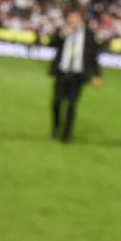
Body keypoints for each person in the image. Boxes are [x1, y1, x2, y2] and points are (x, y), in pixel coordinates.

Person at [48, 9, 101, 143]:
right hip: (62, 72)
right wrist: (62, 35)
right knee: (56, 102)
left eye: (74, 18)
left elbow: (94, 56)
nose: (71, 21)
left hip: (78, 75)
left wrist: (97, 74)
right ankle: (56, 126)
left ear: (81, 20)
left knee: (72, 104)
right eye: (70, 18)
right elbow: (51, 44)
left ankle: (67, 134)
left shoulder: (89, 35)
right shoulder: (63, 31)